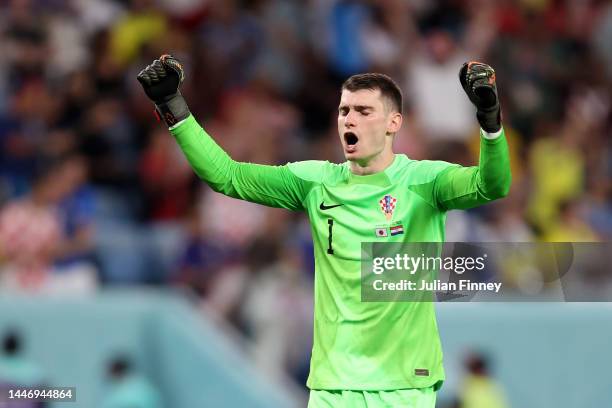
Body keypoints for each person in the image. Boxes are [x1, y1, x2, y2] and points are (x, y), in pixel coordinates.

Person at [136, 55, 511, 407]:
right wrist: (175, 108)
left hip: (404, 384)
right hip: (334, 385)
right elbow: (227, 176)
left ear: (393, 123)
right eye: (344, 111)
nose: (350, 120)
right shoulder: (316, 182)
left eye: (364, 111)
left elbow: (492, 185)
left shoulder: (424, 181)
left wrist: (490, 122)